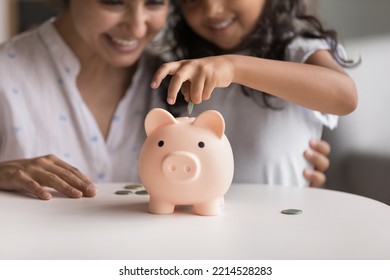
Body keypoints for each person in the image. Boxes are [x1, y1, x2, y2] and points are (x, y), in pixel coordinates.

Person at [0, 0, 330, 200]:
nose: (137, 25)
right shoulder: (7, 73)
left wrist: (283, 162)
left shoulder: (170, 83)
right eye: (114, 1)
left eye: (155, 2)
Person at [151, 0, 358, 186]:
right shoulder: (185, 69)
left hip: (280, 220)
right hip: (204, 221)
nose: (212, 9)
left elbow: (345, 96)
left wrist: (234, 67)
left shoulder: (297, 49)